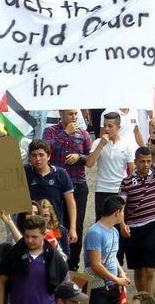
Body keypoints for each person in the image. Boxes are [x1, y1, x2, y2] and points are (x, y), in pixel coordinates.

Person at [119, 119, 155, 295]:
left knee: (150, 269)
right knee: (138, 270)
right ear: (135, 161)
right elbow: (121, 206)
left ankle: (147, 300)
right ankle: (140, 298)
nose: (145, 164)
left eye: (148, 161)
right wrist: (122, 225)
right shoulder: (126, 182)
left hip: (152, 227)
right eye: (142, 161)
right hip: (133, 228)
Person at [43, 109, 92, 271]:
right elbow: (46, 150)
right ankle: (56, 261)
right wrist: (65, 133)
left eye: (76, 114)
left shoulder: (83, 134)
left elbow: (89, 157)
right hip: (56, 186)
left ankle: (73, 265)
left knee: (76, 225)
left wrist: (79, 158)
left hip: (77, 184)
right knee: (56, 223)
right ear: (61, 113)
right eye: (70, 114)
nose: (74, 117)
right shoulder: (50, 131)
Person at [0, 215, 70, 304]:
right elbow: (0, 280)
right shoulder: (15, 254)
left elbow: (66, 288)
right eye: (26, 236)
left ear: (43, 235)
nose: (29, 240)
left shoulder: (54, 258)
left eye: (34, 237)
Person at [24, 139, 78, 245]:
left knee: (56, 257)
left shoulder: (60, 174)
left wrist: (72, 228)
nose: (37, 159)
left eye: (41, 155)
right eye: (34, 155)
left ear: (48, 156)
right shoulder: (25, 172)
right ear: (30, 157)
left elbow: (71, 203)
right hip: (32, 229)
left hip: (54, 227)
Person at [83, 196, 131, 304]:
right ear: (117, 213)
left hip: (113, 287)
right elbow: (96, 265)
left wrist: (121, 272)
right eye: (123, 211)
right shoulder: (95, 233)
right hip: (98, 288)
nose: (123, 215)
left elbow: (112, 256)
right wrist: (116, 279)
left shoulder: (114, 231)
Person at [86, 112, 135, 220]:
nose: (106, 129)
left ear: (118, 127)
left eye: (110, 126)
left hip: (119, 189)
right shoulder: (98, 142)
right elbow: (89, 164)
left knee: (119, 222)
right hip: (101, 189)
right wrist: (101, 145)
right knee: (101, 221)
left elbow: (132, 170)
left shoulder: (127, 144)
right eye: (105, 126)